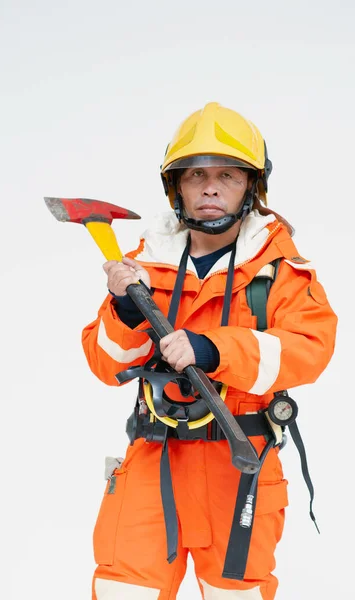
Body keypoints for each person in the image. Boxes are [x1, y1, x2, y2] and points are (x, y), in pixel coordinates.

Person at [82, 102, 337, 600]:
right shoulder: (143, 266)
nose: (211, 187)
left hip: (240, 464)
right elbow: (103, 361)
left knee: (234, 594)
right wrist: (126, 312)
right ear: (176, 187)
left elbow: (311, 348)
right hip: (152, 464)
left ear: (252, 187)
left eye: (228, 174)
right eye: (196, 174)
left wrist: (213, 349)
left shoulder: (280, 270)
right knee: (121, 590)